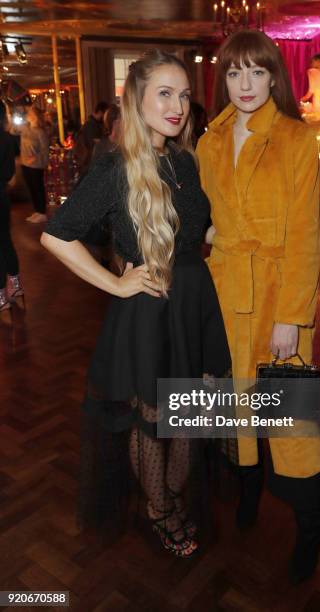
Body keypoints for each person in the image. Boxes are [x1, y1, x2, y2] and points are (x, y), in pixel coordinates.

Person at [41, 50, 231, 557]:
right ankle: (158, 507)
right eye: (164, 93)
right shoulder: (115, 168)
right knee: (151, 419)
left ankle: (168, 496)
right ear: (138, 98)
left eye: (185, 95)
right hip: (149, 308)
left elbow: (200, 230)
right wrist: (116, 283)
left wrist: (240, 232)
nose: (178, 106)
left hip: (194, 304)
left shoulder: (185, 160)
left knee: (191, 415)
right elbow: (57, 237)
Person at [196, 30, 320, 584]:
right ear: (222, 78)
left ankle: (310, 529)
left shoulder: (297, 139)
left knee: (291, 423)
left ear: (274, 76)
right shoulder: (208, 141)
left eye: (255, 72)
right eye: (233, 73)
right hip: (225, 294)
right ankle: (247, 497)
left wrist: (290, 319)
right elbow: (209, 212)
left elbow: (304, 236)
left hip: (277, 299)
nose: (244, 85)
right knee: (236, 413)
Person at [0, 101, 24, 314]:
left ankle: (1, 296)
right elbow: (9, 173)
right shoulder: (8, 138)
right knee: (5, 240)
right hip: (2, 195)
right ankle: (15, 286)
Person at [21, 106, 49, 223]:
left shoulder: (40, 132)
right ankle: (37, 210)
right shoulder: (25, 129)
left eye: (30, 113)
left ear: (35, 116)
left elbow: (44, 150)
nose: (28, 115)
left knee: (37, 187)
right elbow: (12, 130)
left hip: (36, 165)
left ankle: (42, 212)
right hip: (25, 163)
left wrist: (37, 159)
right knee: (31, 188)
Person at [74, 101, 109, 174]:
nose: (105, 118)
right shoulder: (91, 125)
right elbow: (93, 145)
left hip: (89, 162)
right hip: (90, 162)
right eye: (105, 114)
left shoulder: (90, 123)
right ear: (100, 112)